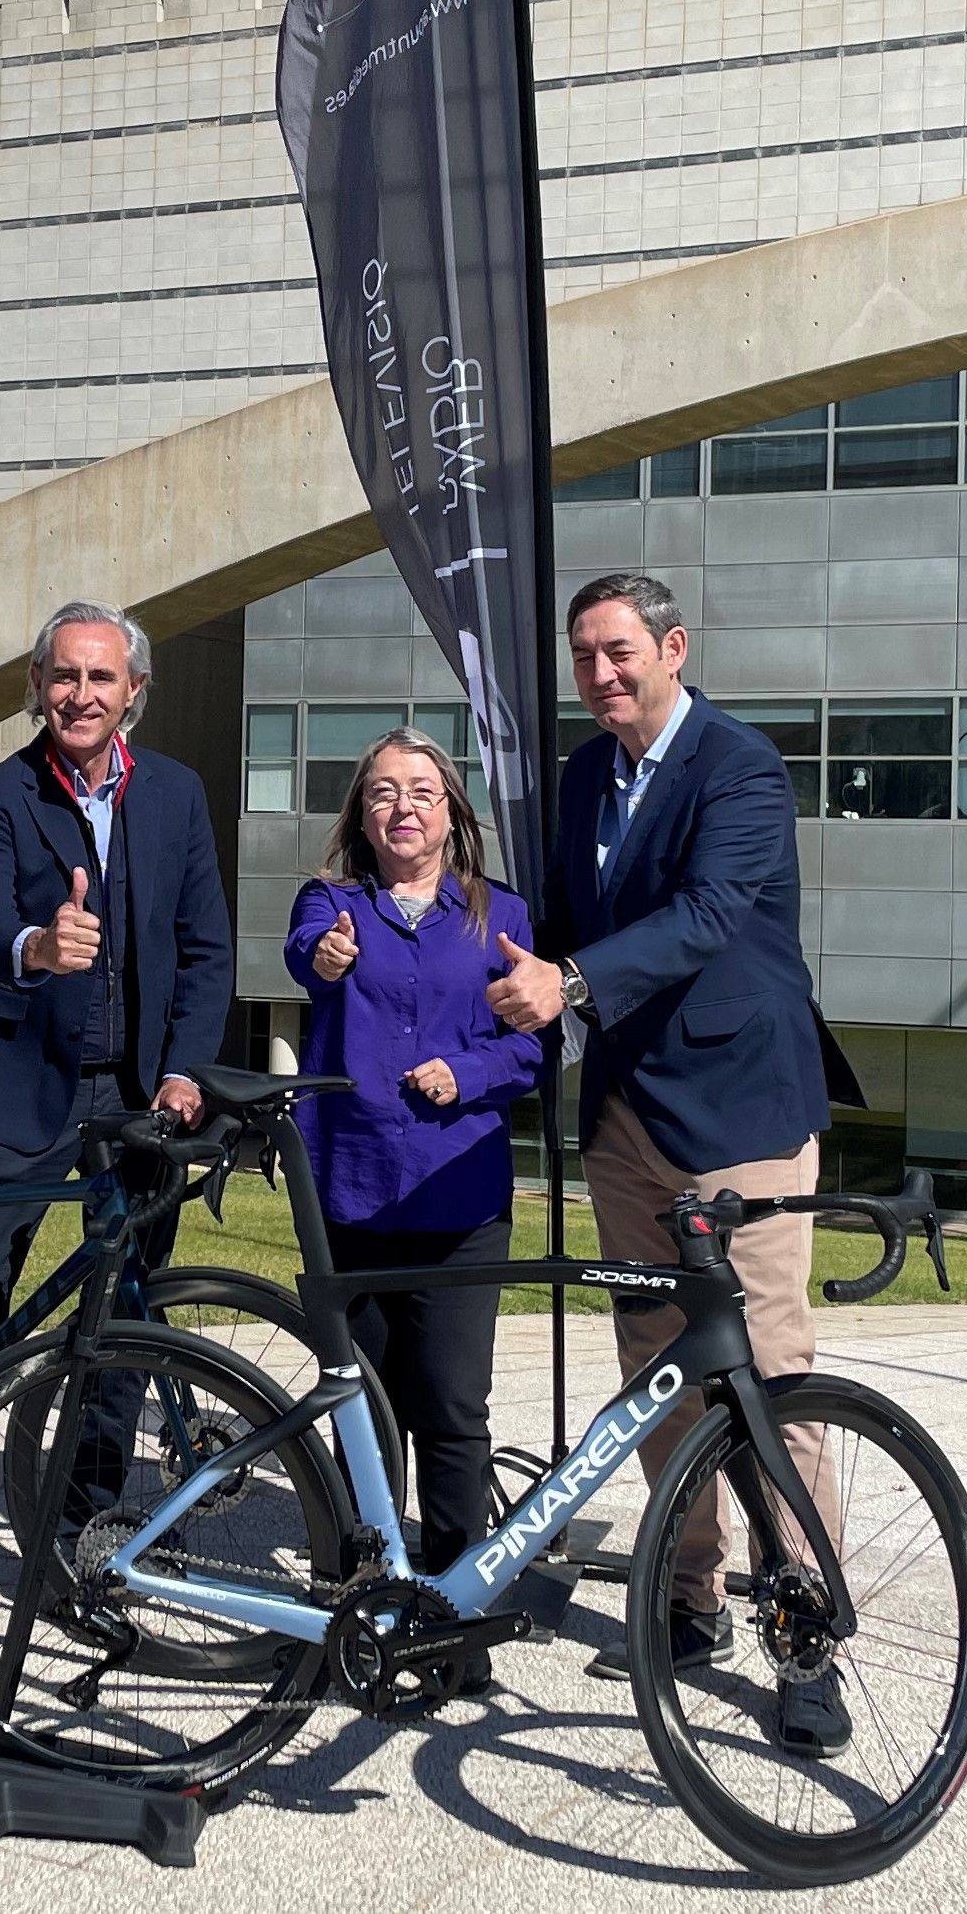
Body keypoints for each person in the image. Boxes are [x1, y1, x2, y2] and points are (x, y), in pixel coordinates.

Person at [484, 571, 865, 1758]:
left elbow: (704, 913)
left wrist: (574, 983)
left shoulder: (740, 765)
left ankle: (804, 1632)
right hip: (627, 1122)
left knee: (769, 1377)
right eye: (583, 655)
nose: (599, 672)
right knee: (655, 1370)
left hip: (741, 1111)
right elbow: (545, 926)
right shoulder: (579, 776)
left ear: (671, 648)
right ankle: (687, 1599)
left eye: (617, 651)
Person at [0, 600, 233, 1631]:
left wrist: (184, 1071)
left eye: (100, 678)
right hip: (19, 1089)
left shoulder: (176, 794)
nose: (79, 694)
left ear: (135, 693)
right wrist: (35, 941)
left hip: (141, 1096)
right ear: (37, 684)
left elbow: (204, 947)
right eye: (62, 675)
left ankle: (89, 1552)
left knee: (121, 1324)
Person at [284, 728, 541, 1600]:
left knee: (454, 1413)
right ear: (362, 811)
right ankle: (368, 1584)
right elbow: (307, 958)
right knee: (363, 1408)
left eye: (423, 792)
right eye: (384, 791)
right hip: (351, 1195)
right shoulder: (329, 903)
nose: (403, 807)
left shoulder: (499, 915)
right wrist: (326, 958)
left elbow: (529, 1054)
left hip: (461, 1197)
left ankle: (459, 1591)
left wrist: (465, 1072)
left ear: (451, 813)